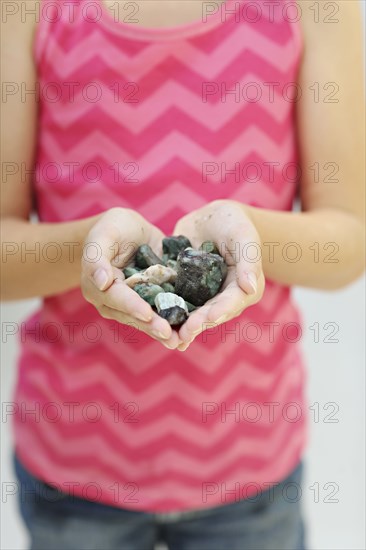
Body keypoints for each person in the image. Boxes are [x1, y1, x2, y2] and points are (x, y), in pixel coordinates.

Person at [1, 0, 365, 548]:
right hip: (76, 461)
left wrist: (248, 237)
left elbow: (348, 242)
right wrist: (89, 247)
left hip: (249, 461)